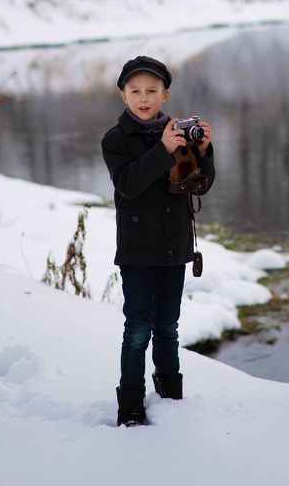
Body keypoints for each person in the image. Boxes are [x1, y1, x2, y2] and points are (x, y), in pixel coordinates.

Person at [101, 55, 215, 427]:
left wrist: (202, 151)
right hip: (136, 252)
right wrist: (163, 150)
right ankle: (131, 403)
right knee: (137, 330)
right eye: (136, 91)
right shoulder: (115, 140)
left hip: (174, 246)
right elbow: (129, 185)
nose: (144, 97)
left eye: (152, 90)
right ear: (124, 96)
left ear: (165, 95)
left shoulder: (178, 133)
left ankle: (170, 395)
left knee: (168, 326)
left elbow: (198, 183)